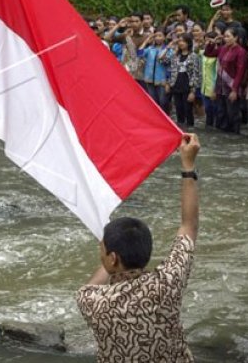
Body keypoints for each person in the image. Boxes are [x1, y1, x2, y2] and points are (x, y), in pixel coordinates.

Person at [77, 133, 200, 362]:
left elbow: (90, 286)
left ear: (112, 258)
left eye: (102, 247)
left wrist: (110, 248)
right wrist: (188, 165)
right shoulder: (167, 284)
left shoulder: (92, 302)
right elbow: (188, 226)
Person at [204, 27, 247, 133]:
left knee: (232, 114)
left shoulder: (240, 52)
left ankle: (235, 136)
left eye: (228, 36)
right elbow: (208, 53)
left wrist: (234, 90)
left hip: (231, 87)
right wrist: (212, 43)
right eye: (225, 36)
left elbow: (240, 72)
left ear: (236, 38)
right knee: (221, 113)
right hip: (220, 87)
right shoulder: (223, 48)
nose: (226, 39)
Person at [166, 34, 201, 127]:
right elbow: (163, 61)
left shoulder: (194, 56)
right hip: (176, 85)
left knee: (188, 110)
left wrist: (193, 91)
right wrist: (168, 47)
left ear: (188, 43)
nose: (181, 43)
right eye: (180, 41)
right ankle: (181, 130)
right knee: (178, 109)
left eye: (183, 41)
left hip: (187, 86)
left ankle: (190, 130)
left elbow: (196, 74)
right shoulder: (175, 56)